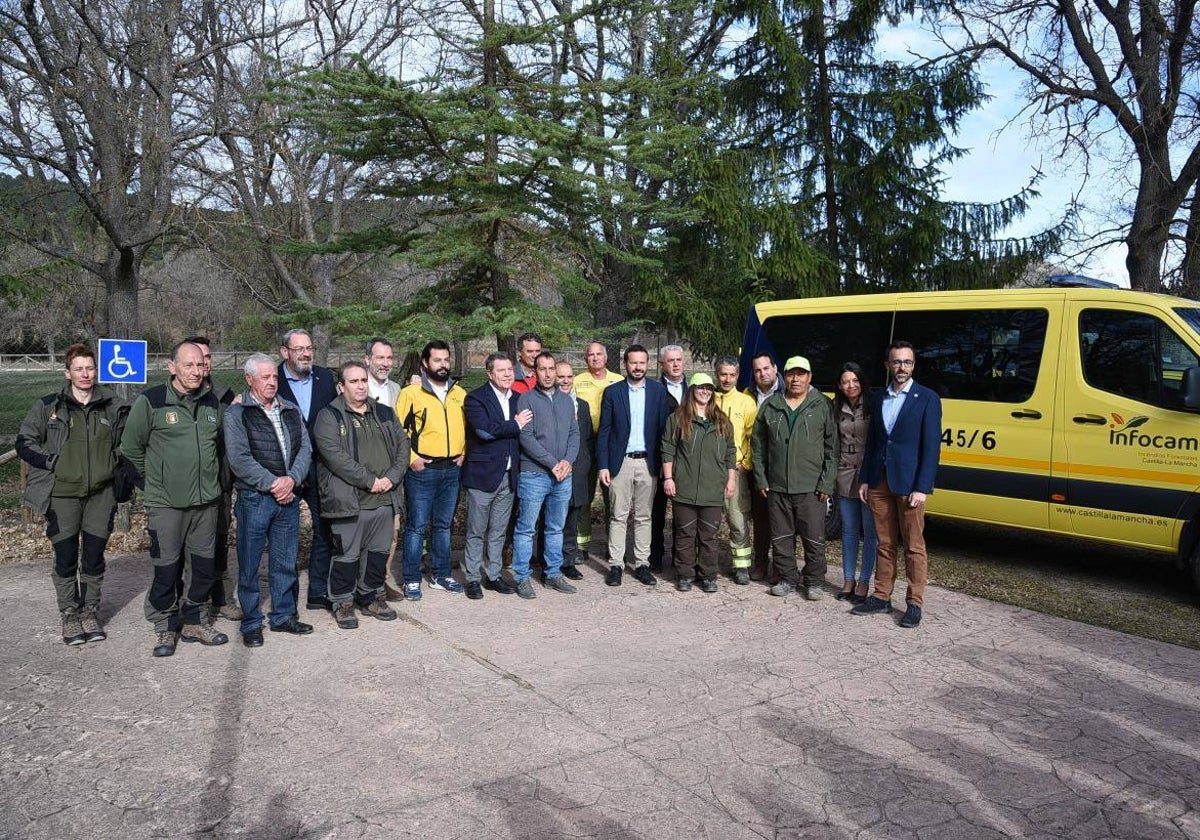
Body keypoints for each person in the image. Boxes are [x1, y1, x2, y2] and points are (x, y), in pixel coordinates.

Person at [17, 343, 130, 645]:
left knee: (93, 557)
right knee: (66, 557)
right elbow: (24, 442)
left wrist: (116, 465)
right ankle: (69, 614)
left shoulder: (113, 406)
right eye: (79, 369)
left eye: (90, 368)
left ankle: (90, 612)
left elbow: (129, 443)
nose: (85, 374)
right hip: (61, 496)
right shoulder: (49, 407)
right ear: (68, 373)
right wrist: (51, 461)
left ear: (97, 370)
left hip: (100, 495)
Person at [121, 341, 228, 657]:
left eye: (200, 365)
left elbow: (219, 448)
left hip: (205, 503)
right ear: (172, 367)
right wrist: (153, 485)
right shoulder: (151, 402)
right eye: (188, 365)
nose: (196, 371)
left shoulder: (212, 403)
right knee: (167, 568)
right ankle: (165, 626)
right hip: (166, 505)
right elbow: (131, 449)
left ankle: (195, 620)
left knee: (204, 567)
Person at [223, 353, 314, 647]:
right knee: (249, 565)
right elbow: (239, 459)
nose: (272, 382)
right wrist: (274, 483)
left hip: (288, 497)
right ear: (249, 380)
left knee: (285, 561)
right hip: (255, 499)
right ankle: (251, 623)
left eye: (274, 376)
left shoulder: (289, 409)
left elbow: (305, 450)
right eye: (265, 377)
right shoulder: (237, 414)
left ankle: (284, 615)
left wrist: (292, 480)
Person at [852, 341, 942, 628]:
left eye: (906, 362)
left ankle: (914, 602)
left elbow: (931, 448)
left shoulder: (927, 398)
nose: (901, 367)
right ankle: (881, 596)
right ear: (887, 366)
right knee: (884, 543)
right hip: (879, 481)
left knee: (914, 546)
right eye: (896, 362)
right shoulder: (879, 398)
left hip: (910, 485)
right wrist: (865, 478)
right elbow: (874, 442)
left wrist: (922, 487)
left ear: (913, 366)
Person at [314, 362, 410, 628]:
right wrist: (369, 481)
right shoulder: (329, 416)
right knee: (347, 556)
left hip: (384, 499)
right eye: (353, 382)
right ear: (340, 386)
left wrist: (391, 477)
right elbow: (335, 456)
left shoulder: (384, 412)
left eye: (363, 381)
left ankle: (371, 595)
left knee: (378, 553)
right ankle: (343, 602)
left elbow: (403, 446)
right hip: (351, 500)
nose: (359, 386)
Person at [751, 355, 838, 601]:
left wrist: (826, 482)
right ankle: (787, 578)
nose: (796, 378)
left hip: (811, 488)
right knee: (780, 537)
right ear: (784, 376)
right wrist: (761, 478)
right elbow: (758, 445)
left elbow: (832, 448)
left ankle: (814, 581)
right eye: (791, 373)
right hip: (777, 486)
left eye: (801, 374)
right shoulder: (772, 405)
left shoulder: (821, 405)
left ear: (809, 377)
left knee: (814, 539)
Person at [597, 344, 674, 587]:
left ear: (648, 364)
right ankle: (616, 565)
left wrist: (663, 463)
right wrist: (603, 465)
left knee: (644, 517)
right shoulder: (613, 392)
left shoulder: (657, 391)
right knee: (618, 516)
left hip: (648, 464)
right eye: (633, 363)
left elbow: (664, 431)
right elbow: (604, 432)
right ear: (625, 363)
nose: (638, 367)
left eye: (642, 363)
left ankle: (642, 564)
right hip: (621, 462)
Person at [396, 340, 467, 600]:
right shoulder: (410, 394)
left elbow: (469, 427)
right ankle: (412, 578)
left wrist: (465, 452)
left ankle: (440, 574)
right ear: (425, 364)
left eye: (446, 360)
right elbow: (398, 432)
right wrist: (411, 458)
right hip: (422, 469)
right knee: (416, 526)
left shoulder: (459, 393)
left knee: (443, 526)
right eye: (437, 360)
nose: (443, 365)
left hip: (451, 470)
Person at [274, 328, 339, 611]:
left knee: (324, 529)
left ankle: (316, 591)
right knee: (284, 535)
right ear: (285, 352)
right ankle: (284, 599)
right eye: (298, 349)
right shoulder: (271, 378)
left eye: (308, 348)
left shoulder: (325, 377)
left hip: (319, 468)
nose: (305, 353)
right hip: (285, 470)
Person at [460, 352, 531, 600]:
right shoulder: (475, 398)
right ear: (489, 373)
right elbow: (484, 431)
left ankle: (492, 575)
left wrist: (518, 424)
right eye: (501, 371)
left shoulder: (520, 399)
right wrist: (516, 424)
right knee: (476, 530)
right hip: (482, 475)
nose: (507, 374)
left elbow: (527, 432)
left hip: (510, 475)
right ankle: (471, 578)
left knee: (498, 531)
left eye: (510, 370)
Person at [512, 351, 580, 598]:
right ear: (535, 371)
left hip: (563, 475)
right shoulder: (526, 399)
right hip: (534, 475)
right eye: (543, 369)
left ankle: (552, 573)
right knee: (526, 528)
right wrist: (553, 463)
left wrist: (567, 462)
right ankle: (521, 576)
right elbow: (526, 437)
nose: (549, 374)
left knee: (555, 528)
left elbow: (575, 434)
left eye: (552, 369)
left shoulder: (566, 400)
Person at [661, 373, 736, 593]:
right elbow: (667, 449)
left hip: (713, 488)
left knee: (709, 536)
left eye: (709, 388)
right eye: (700, 387)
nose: (705, 391)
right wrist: (668, 478)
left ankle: (708, 576)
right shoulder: (677, 418)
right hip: (684, 486)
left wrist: (730, 479)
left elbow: (730, 452)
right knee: (685, 533)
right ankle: (685, 574)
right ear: (692, 389)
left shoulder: (722, 420)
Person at [185, 335, 240, 624]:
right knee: (188, 550)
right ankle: (189, 603)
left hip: (219, 484)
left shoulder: (225, 398)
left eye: (207, 358)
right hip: (185, 489)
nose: (203, 364)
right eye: (197, 358)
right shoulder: (177, 398)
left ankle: (223, 598)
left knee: (218, 544)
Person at [572, 341, 623, 559]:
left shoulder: (618, 380)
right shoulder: (577, 381)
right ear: (586, 359)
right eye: (590, 355)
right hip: (585, 443)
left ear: (606, 357)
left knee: (613, 498)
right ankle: (581, 546)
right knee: (583, 496)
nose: (595, 358)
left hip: (611, 445)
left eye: (599, 354)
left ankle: (614, 546)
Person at [833, 362, 878, 603]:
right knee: (849, 531)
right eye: (845, 381)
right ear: (839, 385)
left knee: (870, 534)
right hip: (844, 475)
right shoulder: (835, 407)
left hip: (868, 478)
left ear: (862, 381)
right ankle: (848, 580)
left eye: (855, 380)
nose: (851, 385)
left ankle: (863, 583)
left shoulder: (874, 404)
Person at [713, 356, 758, 584]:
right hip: (710, 471)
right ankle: (705, 563)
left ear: (738, 376)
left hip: (736, 471)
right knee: (707, 520)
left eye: (732, 375)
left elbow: (753, 438)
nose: (727, 379)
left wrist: (745, 463)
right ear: (716, 374)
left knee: (737, 520)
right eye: (723, 374)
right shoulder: (707, 398)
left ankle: (741, 567)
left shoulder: (746, 402)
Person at [745, 352, 782, 582]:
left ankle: (781, 566)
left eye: (766, 368)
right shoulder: (747, 395)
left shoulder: (787, 393)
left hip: (780, 466)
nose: (762, 373)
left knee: (781, 520)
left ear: (775, 369)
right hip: (755, 466)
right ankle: (760, 563)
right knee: (760, 519)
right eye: (758, 370)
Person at [651, 344, 687, 571]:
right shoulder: (654, 390)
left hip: (687, 462)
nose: (675, 364)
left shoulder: (695, 388)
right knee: (657, 512)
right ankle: (655, 557)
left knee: (684, 514)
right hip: (659, 459)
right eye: (670, 360)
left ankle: (680, 557)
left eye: (679, 360)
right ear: (662, 364)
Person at [555, 360, 590, 580]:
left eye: (569, 376)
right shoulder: (547, 402)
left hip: (577, 470)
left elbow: (587, 439)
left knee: (571, 519)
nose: (566, 381)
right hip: (555, 467)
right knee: (552, 519)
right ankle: (549, 560)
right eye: (561, 376)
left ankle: (568, 561)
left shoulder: (583, 405)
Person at [364, 337, 401, 408]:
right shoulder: (356, 387)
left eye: (389, 358)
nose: (386, 364)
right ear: (368, 360)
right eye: (380, 358)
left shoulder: (396, 389)